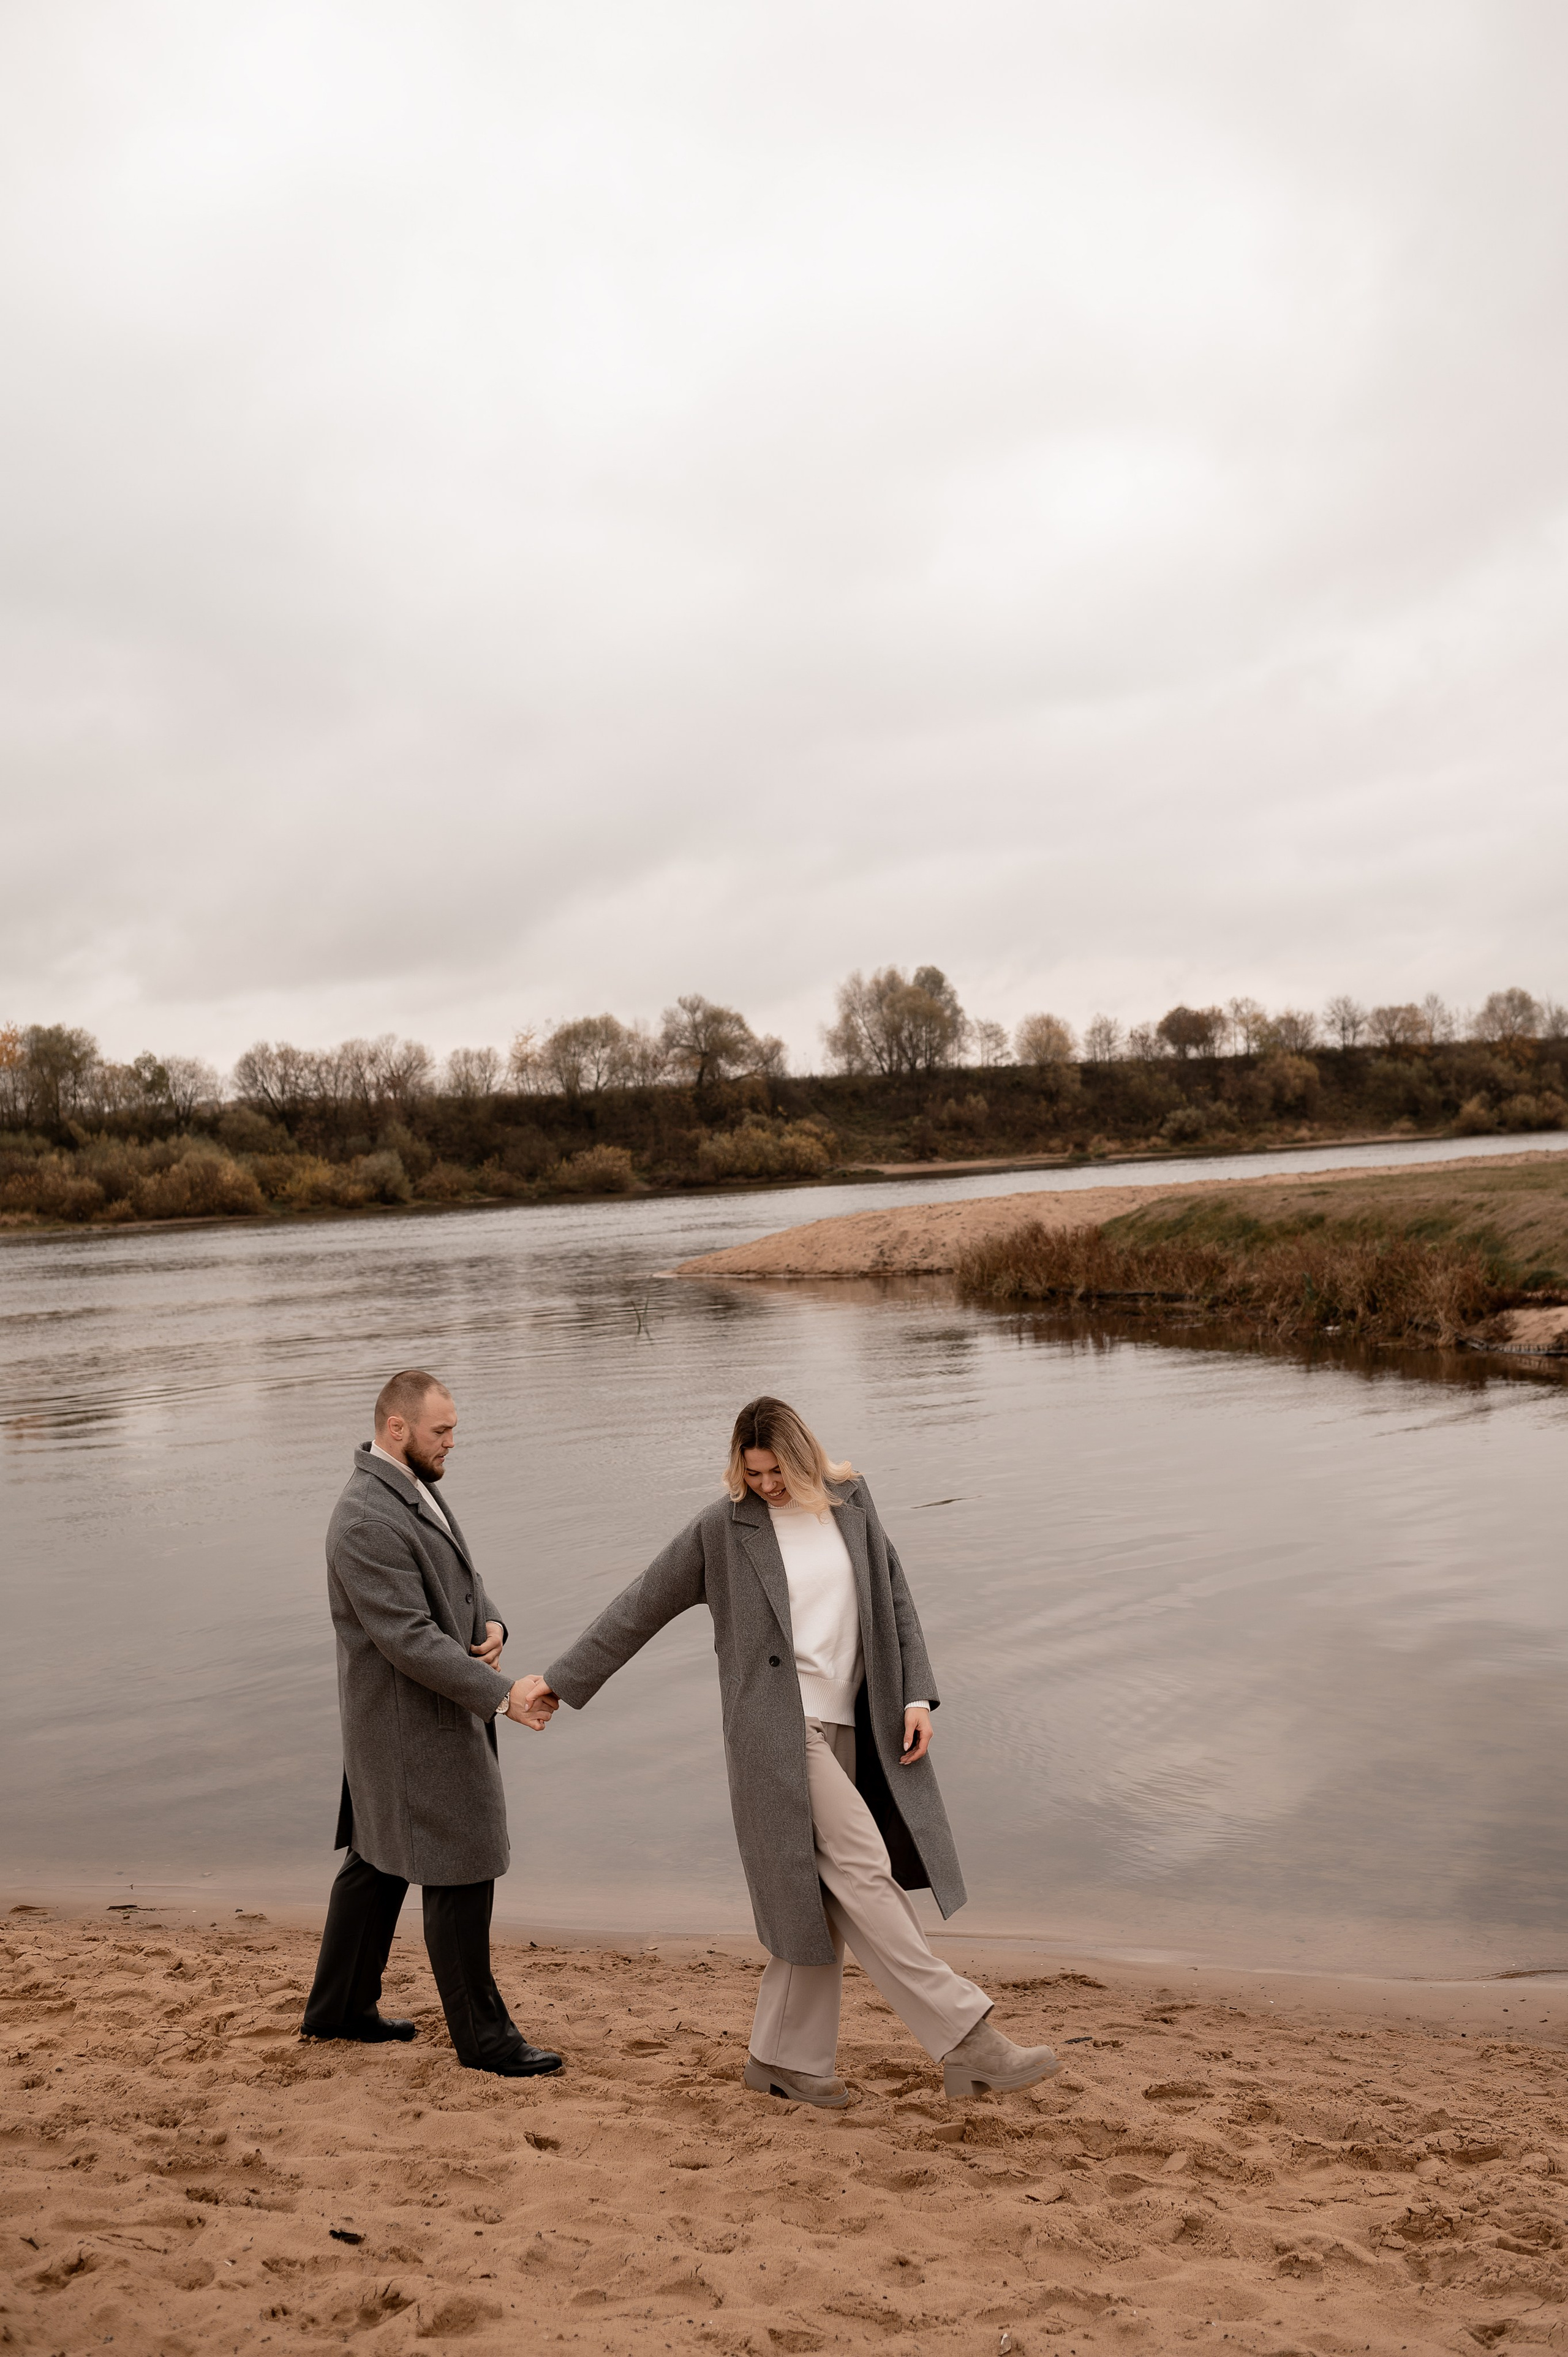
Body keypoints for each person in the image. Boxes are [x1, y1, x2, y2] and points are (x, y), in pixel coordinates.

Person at [535, 1395, 1058, 2107]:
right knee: (865, 1870)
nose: (767, 1485)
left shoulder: (851, 1500)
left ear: (803, 1456)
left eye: (776, 1469)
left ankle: (782, 2057)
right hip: (777, 1735)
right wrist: (562, 1682)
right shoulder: (724, 1528)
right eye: (752, 1473)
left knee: (816, 1897)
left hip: (855, 1723)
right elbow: (640, 1604)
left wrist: (914, 1696)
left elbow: (894, 1596)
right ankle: (968, 2036)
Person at [299, 1368, 564, 2077]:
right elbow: (410, 1637)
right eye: (441, 1430)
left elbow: (457, 1581)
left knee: (377, 1862)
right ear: (397, 1429)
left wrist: (493, 1618)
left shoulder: (408, 1487)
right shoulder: (363, 1518)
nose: (452, 1442)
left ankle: (339, 2009)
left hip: (409, 1720)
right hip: (408, 1727)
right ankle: (485, 2040)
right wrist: (503, 1692)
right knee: (462, 1862)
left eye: (453, 1428)